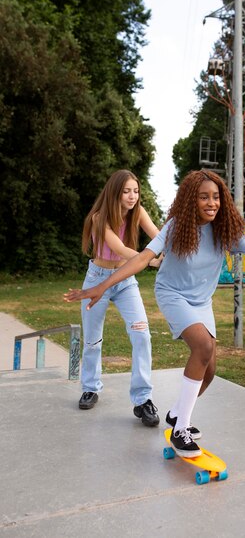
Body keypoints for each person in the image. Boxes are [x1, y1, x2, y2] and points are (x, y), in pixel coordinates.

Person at [64, 169, 245, 455]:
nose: (211, 203)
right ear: (190, 201)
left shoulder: (225, 229)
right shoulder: (176, 226)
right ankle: (180, 428)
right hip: (172, 294)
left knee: (209, 370)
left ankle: (176, 413)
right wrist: (102, 285)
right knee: (203, 346)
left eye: (216, 197)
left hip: (201, 301)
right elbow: (143, 257)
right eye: (204, 197)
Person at [74, 169, 161, 427]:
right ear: (115, 192)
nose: (132, 196)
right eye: (126, 191)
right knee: (92, 340)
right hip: (97, 280)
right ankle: (90, 387)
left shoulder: (138, 212)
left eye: (135, 190)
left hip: (125, 281)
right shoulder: (99, 218)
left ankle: (143, 399)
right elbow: (120, 248)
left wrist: (171, 252)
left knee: (142, 335)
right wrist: (153, 260)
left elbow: (159, 237)